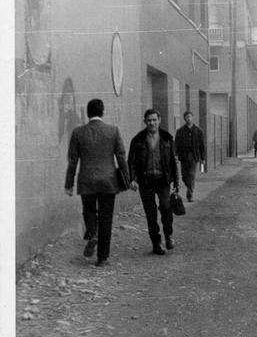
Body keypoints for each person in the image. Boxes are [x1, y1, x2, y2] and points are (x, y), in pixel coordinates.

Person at [64, 99, 128, 267]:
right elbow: (121, 156)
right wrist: (126, 179)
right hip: (108, 181)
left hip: (87, 180)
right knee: (106, 218)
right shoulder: (113, 131)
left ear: (88, 113)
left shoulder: (78, 132)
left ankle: (92, 232)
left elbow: (72, 161)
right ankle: (103, 257)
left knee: (89, 211)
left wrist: (69, 183)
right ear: (103, 112)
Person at [128, 109, 179, 255]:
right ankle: (156, 243)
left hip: (163, 180)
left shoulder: (167, 138)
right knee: (150, 214)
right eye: (149, 120)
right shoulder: (137, 139)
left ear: (159, 120)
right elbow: (131, 162)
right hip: (146, 181)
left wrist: (176, 183)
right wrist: (132, 179)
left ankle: (168, 235)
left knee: (166, 208)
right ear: (145, 122)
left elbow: (172, 162)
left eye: (154, 120)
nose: (152, 123)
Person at [175, 111, 205, 202]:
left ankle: (190, 195)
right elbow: (176, 144)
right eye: (187, 117)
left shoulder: (198, 131)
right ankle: (189, 187)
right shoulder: (180, 131)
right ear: (184, 119)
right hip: (183, 156)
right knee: (184, 176)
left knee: (191, 175)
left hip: (194, 156)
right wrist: (175, 155)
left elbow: (202, 146)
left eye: (190, 117)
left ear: (193, 117)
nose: (188, 118)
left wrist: (203, 158)